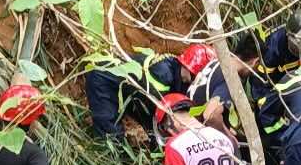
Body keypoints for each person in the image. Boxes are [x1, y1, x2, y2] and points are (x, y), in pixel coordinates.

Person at [85, 44, 215, 143]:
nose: (193, 81)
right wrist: (154, 137)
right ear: (188, 67)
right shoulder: (163, 75)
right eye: (193, 76)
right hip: (104, 80)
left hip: (128, 86)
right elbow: (150, 109)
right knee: (110, 134)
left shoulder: (175, 67)